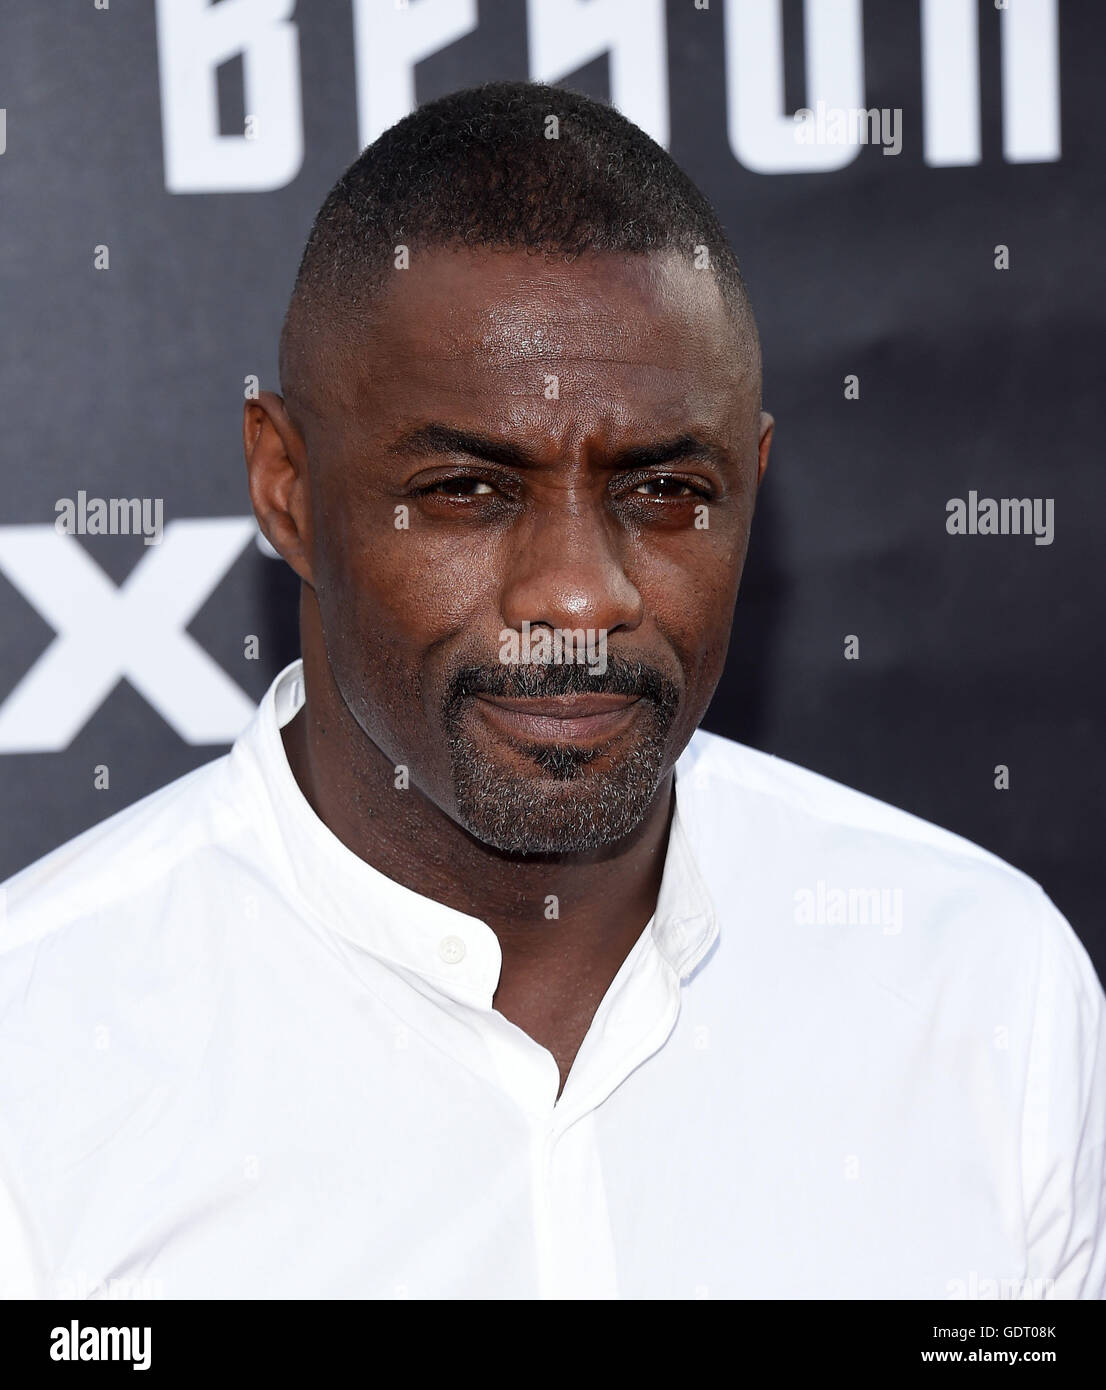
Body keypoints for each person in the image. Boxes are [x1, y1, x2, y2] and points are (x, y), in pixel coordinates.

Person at [1, 82, 1102, 1301]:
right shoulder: (38, 1052)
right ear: (287, 490)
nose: (578, 598)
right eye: (468, 489)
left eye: (662, 488)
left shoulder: (981, 987)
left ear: (752, 478)